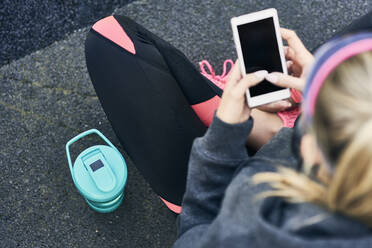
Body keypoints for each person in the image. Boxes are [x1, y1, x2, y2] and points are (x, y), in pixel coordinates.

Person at [85, 11, 372, 247]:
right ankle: (272, 126)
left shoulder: (259, 223)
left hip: (218, 206)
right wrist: (320, 90)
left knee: (109, 39)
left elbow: (195, 235)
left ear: (309, 148)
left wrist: (223, 138)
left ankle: (267, 129)